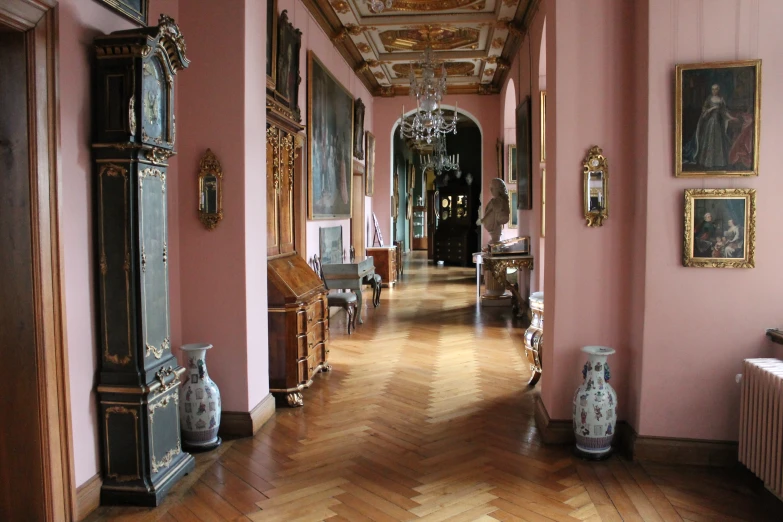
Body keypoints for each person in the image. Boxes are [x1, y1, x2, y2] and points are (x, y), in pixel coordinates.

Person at [683, 84, 738, 169]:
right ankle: (707, 162)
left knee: (718, 142)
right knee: (709, 141)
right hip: (710, 123)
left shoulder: (721, 99)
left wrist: (732, 118)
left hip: (718, 124)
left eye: (716, 89)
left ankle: (718, 162)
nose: (714, 91)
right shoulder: (709, 99)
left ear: (718, 90)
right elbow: (704, 111)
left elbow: (724, 112)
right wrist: (711, 109)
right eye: (713, 89)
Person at [478, 178, 510, 244]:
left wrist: (483, 220)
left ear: (498, 190)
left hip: (495, 231)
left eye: (492, 188)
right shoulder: (494, 202)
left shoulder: (499, 203)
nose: (491, 190)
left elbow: (502, 217)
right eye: (490, 188)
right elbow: (488, 212)